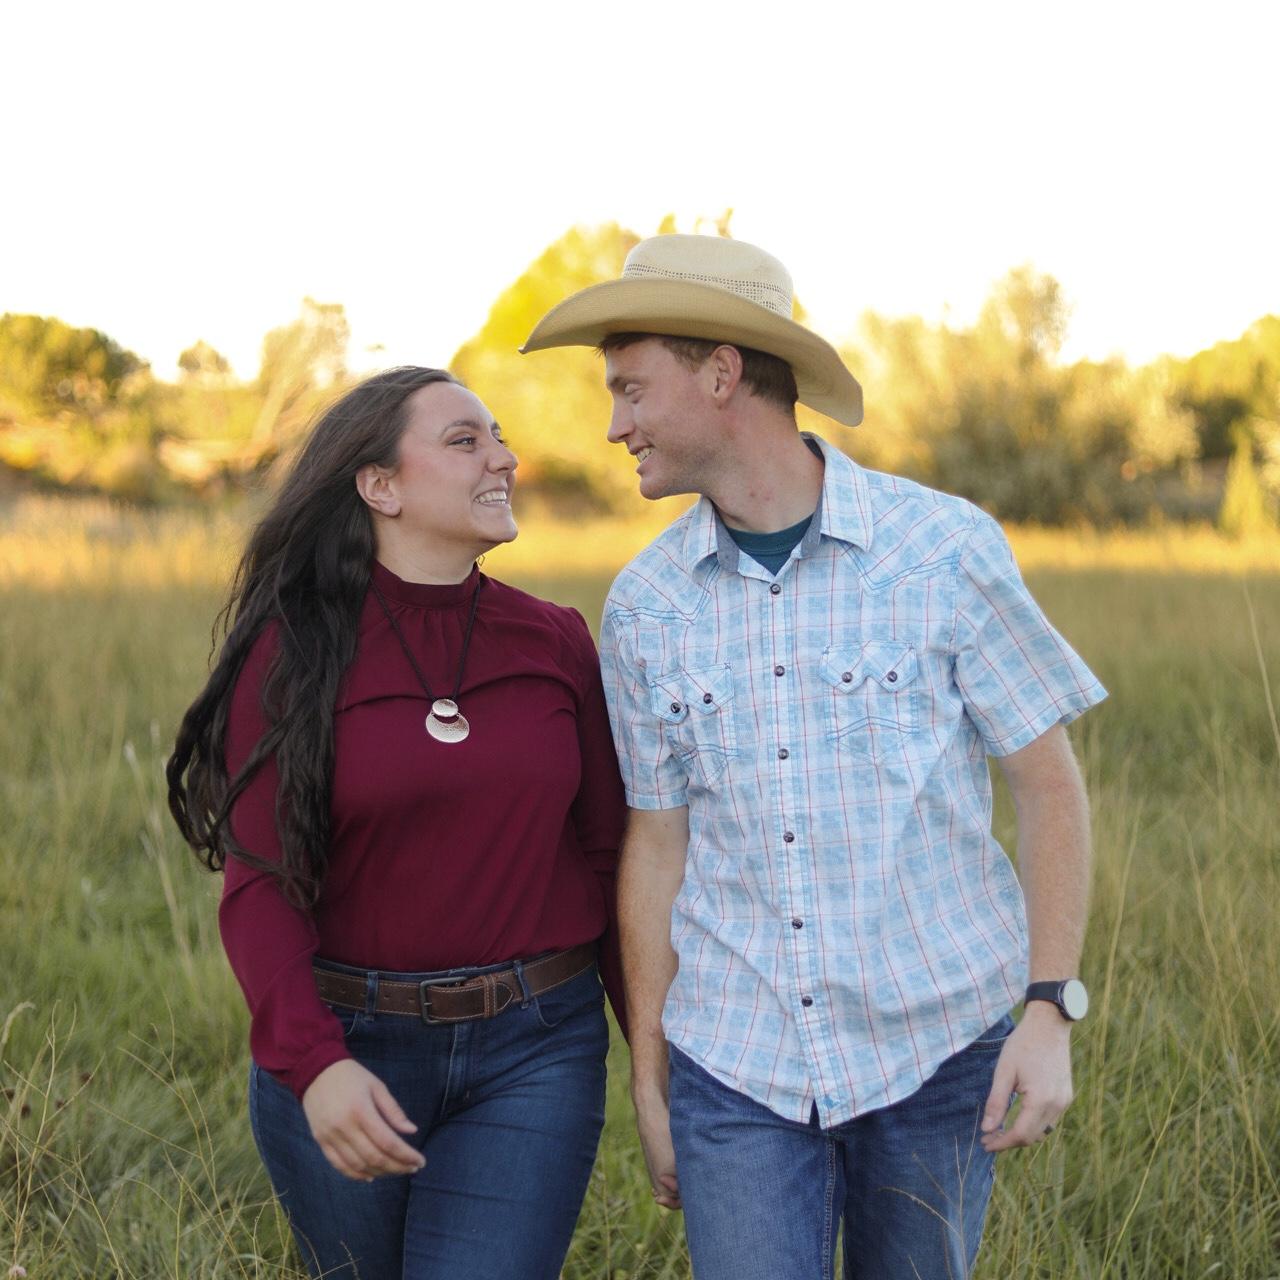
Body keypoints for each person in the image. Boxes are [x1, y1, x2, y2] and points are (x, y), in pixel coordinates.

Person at [520, 234, 1106, 1280]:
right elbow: (656, 844)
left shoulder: (942, 549)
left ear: (720, 373)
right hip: (735, 1063)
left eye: (630, 389)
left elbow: (1047, 784)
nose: (614, 425)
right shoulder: (646, 604)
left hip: (936, 1053)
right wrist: (649, 1075)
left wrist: (1048, 1006)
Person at [166, 366, 626, 1280]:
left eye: (500, 437)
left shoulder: (557, 640)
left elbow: (609, 855)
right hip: (352, 1049)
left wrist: (654, 1064)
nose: (504, 459)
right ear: (380, 486)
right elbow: (261, 886)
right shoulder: (292, 652)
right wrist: (316, 1064)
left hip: (537, 1047)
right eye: (465, 441)